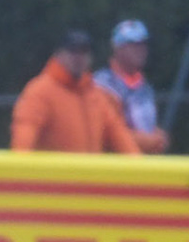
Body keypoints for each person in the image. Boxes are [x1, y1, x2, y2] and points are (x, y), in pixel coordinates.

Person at [10, 30, 146, 155]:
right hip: (53, 179)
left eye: (84, 52)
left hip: (89, 179)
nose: (78, 57)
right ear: (58, 54)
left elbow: (120, 135)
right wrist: (21, 172)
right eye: (72, 51)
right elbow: (23, 140)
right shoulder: (40, 91)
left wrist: (140, 170)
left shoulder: (96, 95)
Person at [93, 18, 168, 153]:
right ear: (117, 47)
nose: (140, 49)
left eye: (143, 44)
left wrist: (158, 136)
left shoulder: (144, 86)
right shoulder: (103, 85)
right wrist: (146, 141)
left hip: (142, 165)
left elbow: (144, 126)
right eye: (133, 44)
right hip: (115, 167)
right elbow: (106, 134)